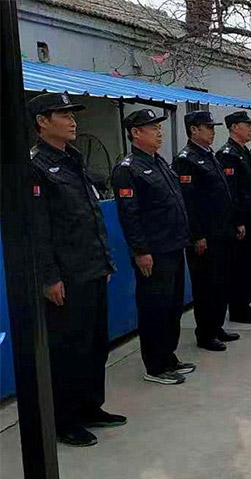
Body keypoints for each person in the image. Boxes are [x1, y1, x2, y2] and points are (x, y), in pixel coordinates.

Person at [28, 92, 125, 447]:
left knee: (95, 344)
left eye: (73, 115)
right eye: (63, 115)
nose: (73, 121)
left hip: (91, 268)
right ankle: (65, 420)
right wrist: (50, 277)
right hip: (66, 276)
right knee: (69, 349)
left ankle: (90, 406)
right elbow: (38, 230)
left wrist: (104, 261)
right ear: (42, 122)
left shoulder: (73, 158)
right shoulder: (35, 166)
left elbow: (91, 216)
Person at [111, 108, 196, 385]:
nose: (159, 132)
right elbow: (130, 215)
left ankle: (168, 356)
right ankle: (155, 365)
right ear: (136, 133)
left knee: (172, 306)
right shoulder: (128, 169)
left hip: (174, 245)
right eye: (153, 128)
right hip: (154, 251)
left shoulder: (159, 162)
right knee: (154, 308)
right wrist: (141, 251)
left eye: (159, 127)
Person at [172, 111, 241, 352]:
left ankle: (216, 326)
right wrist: (197, 235)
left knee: (221, 282)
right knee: (206, 285)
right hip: (205, 236)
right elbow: (188, 203)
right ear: (194, 130)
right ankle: (206, 333)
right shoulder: (186, 159)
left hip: (221, 232)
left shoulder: (208, 155)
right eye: (208, 127)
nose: (212, 132)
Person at [216, 111, 251, 323]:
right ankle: (238, 308)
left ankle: (245, 304)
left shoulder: (244, 152)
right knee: (240, 267)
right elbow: (232, 192)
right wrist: (238, 221)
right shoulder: (227, 154)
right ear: (235, 127)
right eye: (247, 125)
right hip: (242, 221)